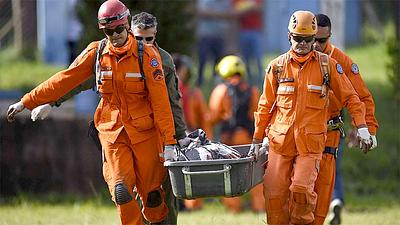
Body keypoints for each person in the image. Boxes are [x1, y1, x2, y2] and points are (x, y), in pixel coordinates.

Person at [7, 1, 177, 225]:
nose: (114, 35)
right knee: (121, 190)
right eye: (108, 31)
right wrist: (27, 101)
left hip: (145, 134)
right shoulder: (97, 53)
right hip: (112, 133)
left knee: (153, 197)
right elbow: (66, 79)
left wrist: (170, 143)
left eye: (118, 29)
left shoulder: (148, 56)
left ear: (126, 25)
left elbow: (161, 103)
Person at [250, 10, 373, 225]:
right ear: (289, 36)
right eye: (298, 38)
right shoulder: (277, 67)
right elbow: (265, 106)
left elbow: (352, 97)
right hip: (280, 144)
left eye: (309, 39)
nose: (303, 44)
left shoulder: (328, 66)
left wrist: (363, 126)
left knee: (302, 190)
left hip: (311, 145)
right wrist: (257, 139)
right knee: (274, 195)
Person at [312, 13, 379, 225]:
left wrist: (366, 130)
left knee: (331, 172)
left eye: (321, 41)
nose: (315, 45)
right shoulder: (297, 57)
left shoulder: (341, 61)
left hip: (330, 131)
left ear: (330, 36)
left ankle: (334, 202)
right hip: (300, 132)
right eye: (311, 38)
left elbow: (362, 98)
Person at [209, 55, 264, 213]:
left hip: (229, 140)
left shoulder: (221, 90)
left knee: (229, 173)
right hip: (248, 138)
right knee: (255, 173)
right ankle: (259, 206)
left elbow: (212, 117)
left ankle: (234, 209)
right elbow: (258, 116)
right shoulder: (253, 90)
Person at [172, 53, 213, 211]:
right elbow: (203, 118)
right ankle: (189, 205)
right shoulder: (188, 91)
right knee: (192, 173)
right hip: (188, 137)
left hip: (172, 138)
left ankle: (179, 204)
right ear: (181, 70)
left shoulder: (165, 89)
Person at [196, 0, 232, 86]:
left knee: (218, 61)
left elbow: (230, 14)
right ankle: (199, 82)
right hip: (206, 35)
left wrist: (212, 14)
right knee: (202, 59)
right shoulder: (205, 1)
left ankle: (216, 83)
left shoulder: (226, 2)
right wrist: (220, 15)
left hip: (220, 36)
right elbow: (202, 12)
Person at [231, 0, 264, 86]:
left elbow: (260, 8)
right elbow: (235, 12)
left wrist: (244, 8)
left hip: (256, 31)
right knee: (245, 59)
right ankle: (248, 80)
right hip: (242, 31)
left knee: (258, 57)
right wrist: (250, 6)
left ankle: (261, 80)